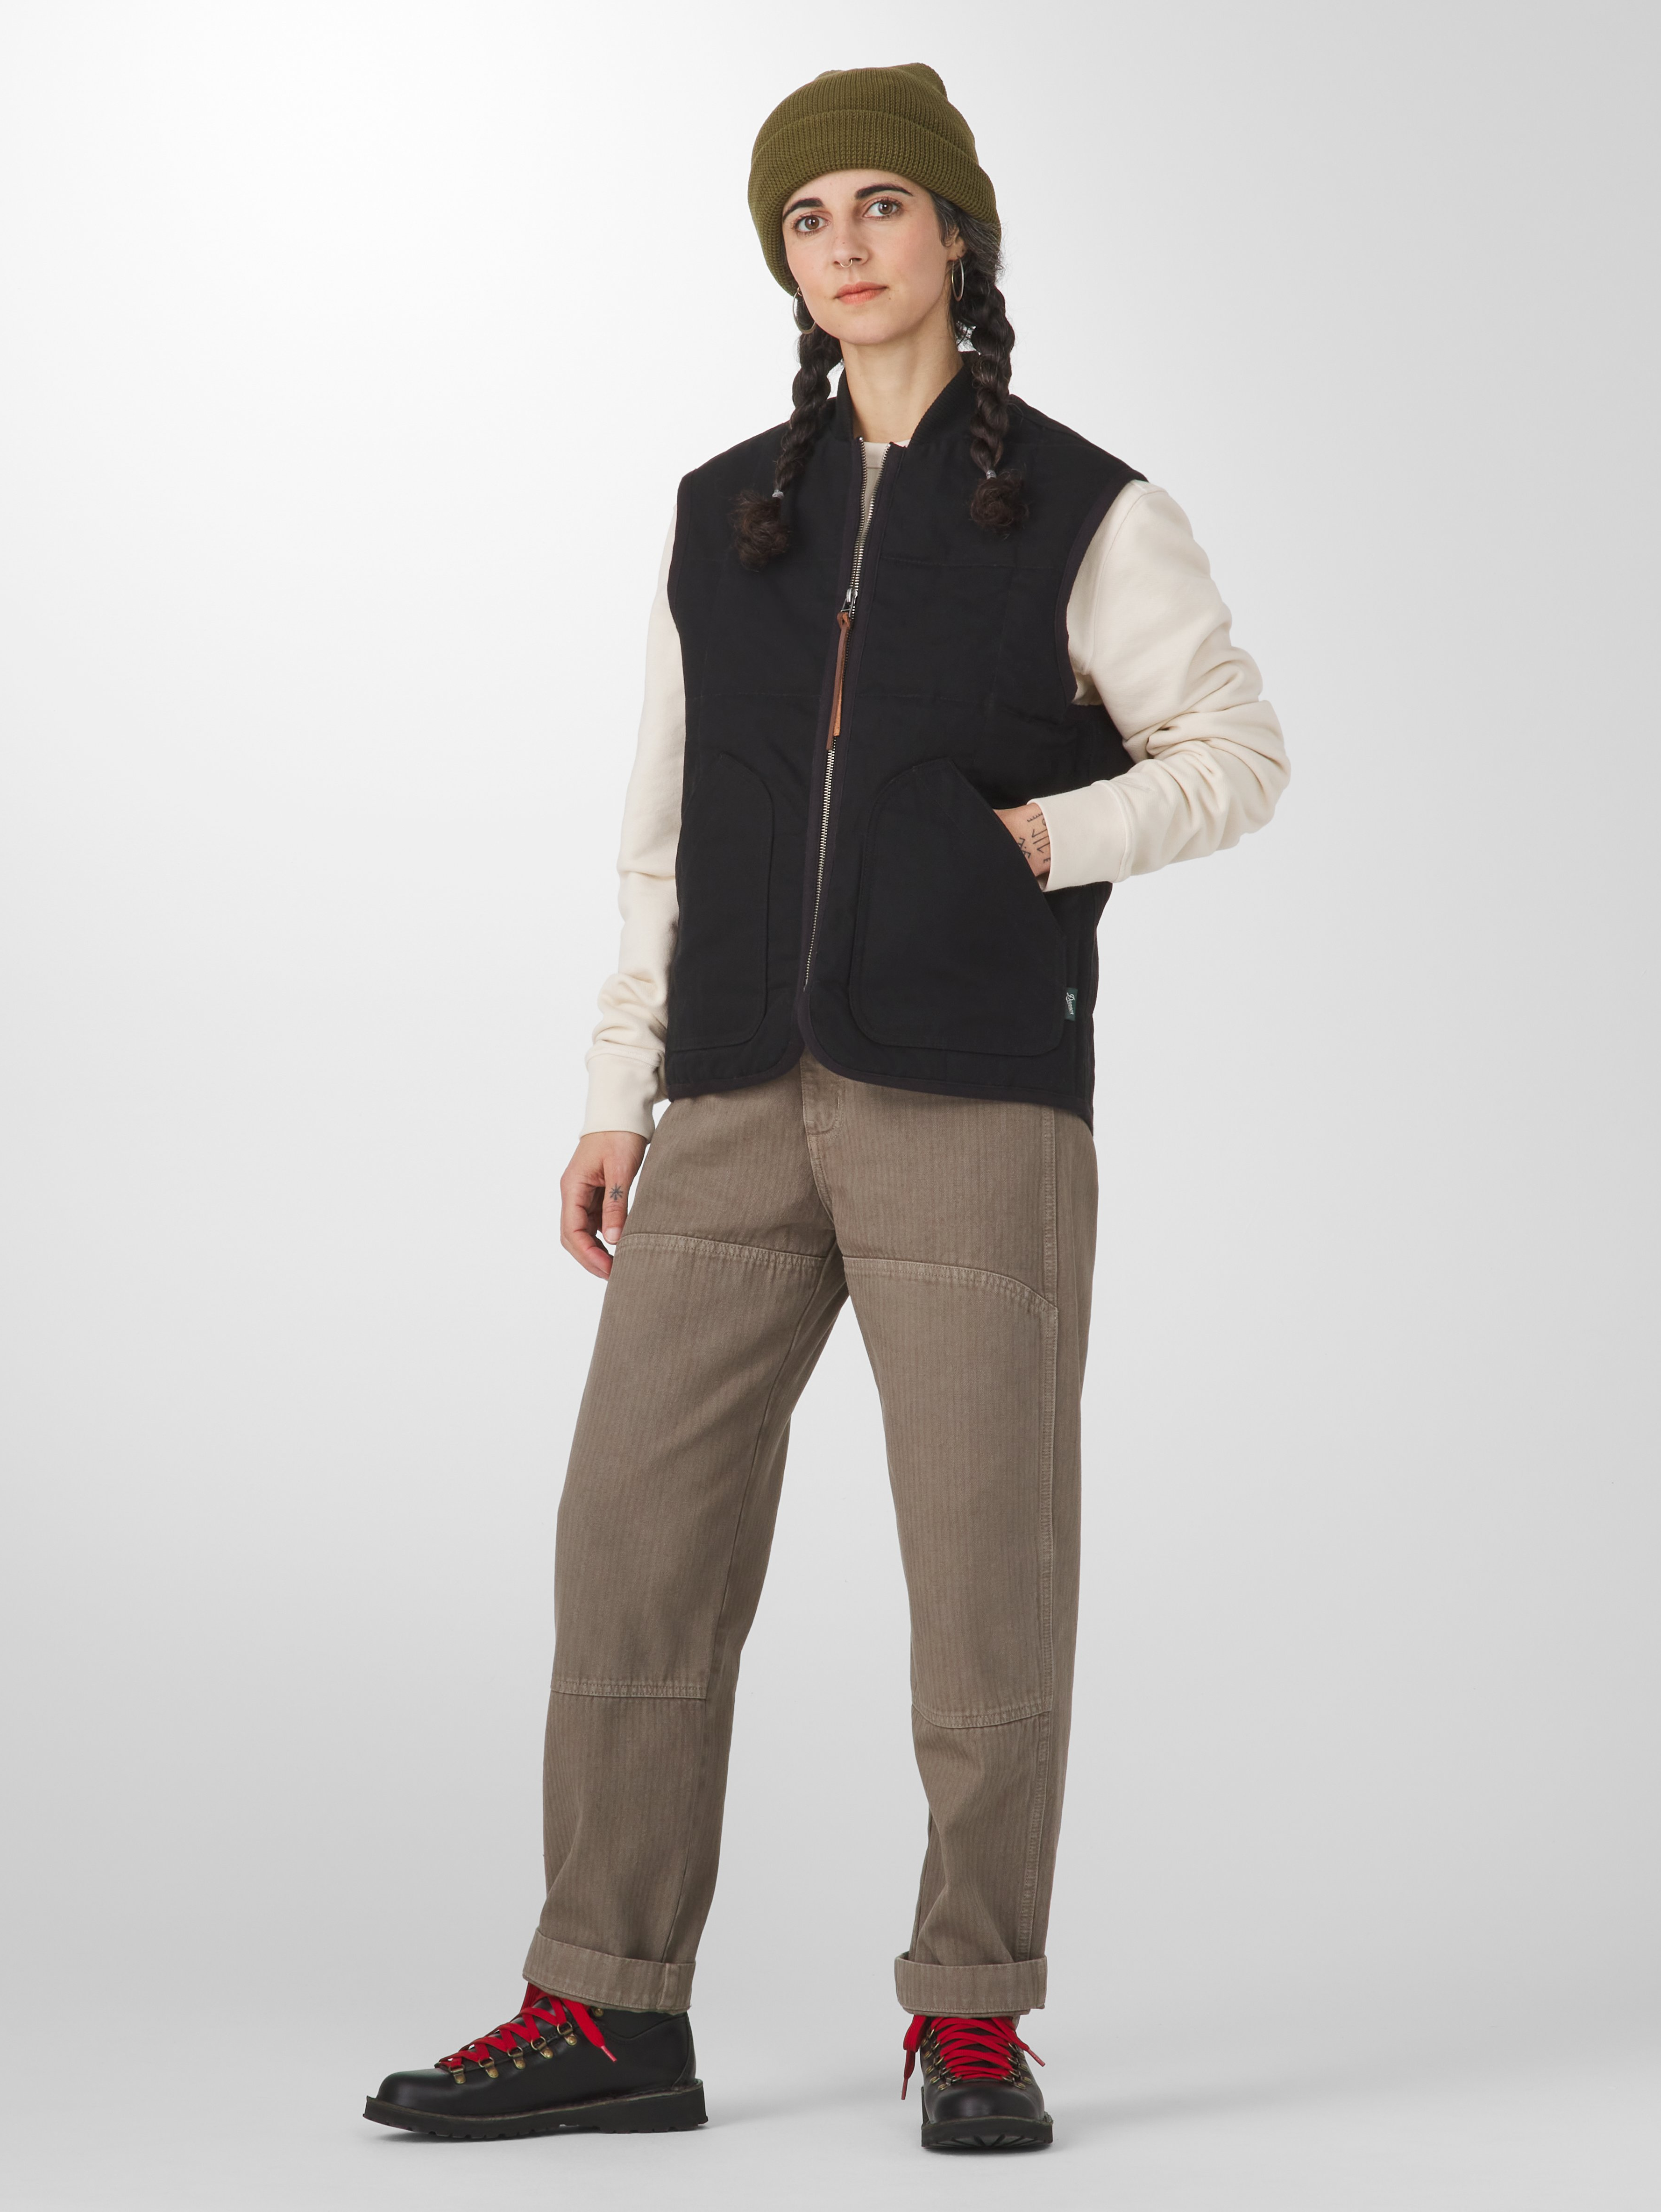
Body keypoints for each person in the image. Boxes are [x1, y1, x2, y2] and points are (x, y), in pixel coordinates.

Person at [363, 61, 1288, 2154]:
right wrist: (618, 1087)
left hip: (973, 1097)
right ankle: (607, 2006)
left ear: (956, 233)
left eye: (882, 204)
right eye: (808, 217)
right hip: (729, 1092)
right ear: (783, 260)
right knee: (632, 1539)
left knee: (982, 1571)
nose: (847, 244)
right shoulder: (727, 513)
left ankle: (972, 2012)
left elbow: (1235, 754)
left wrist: (1034, 840)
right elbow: (663, 824)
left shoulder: (1086, 507)